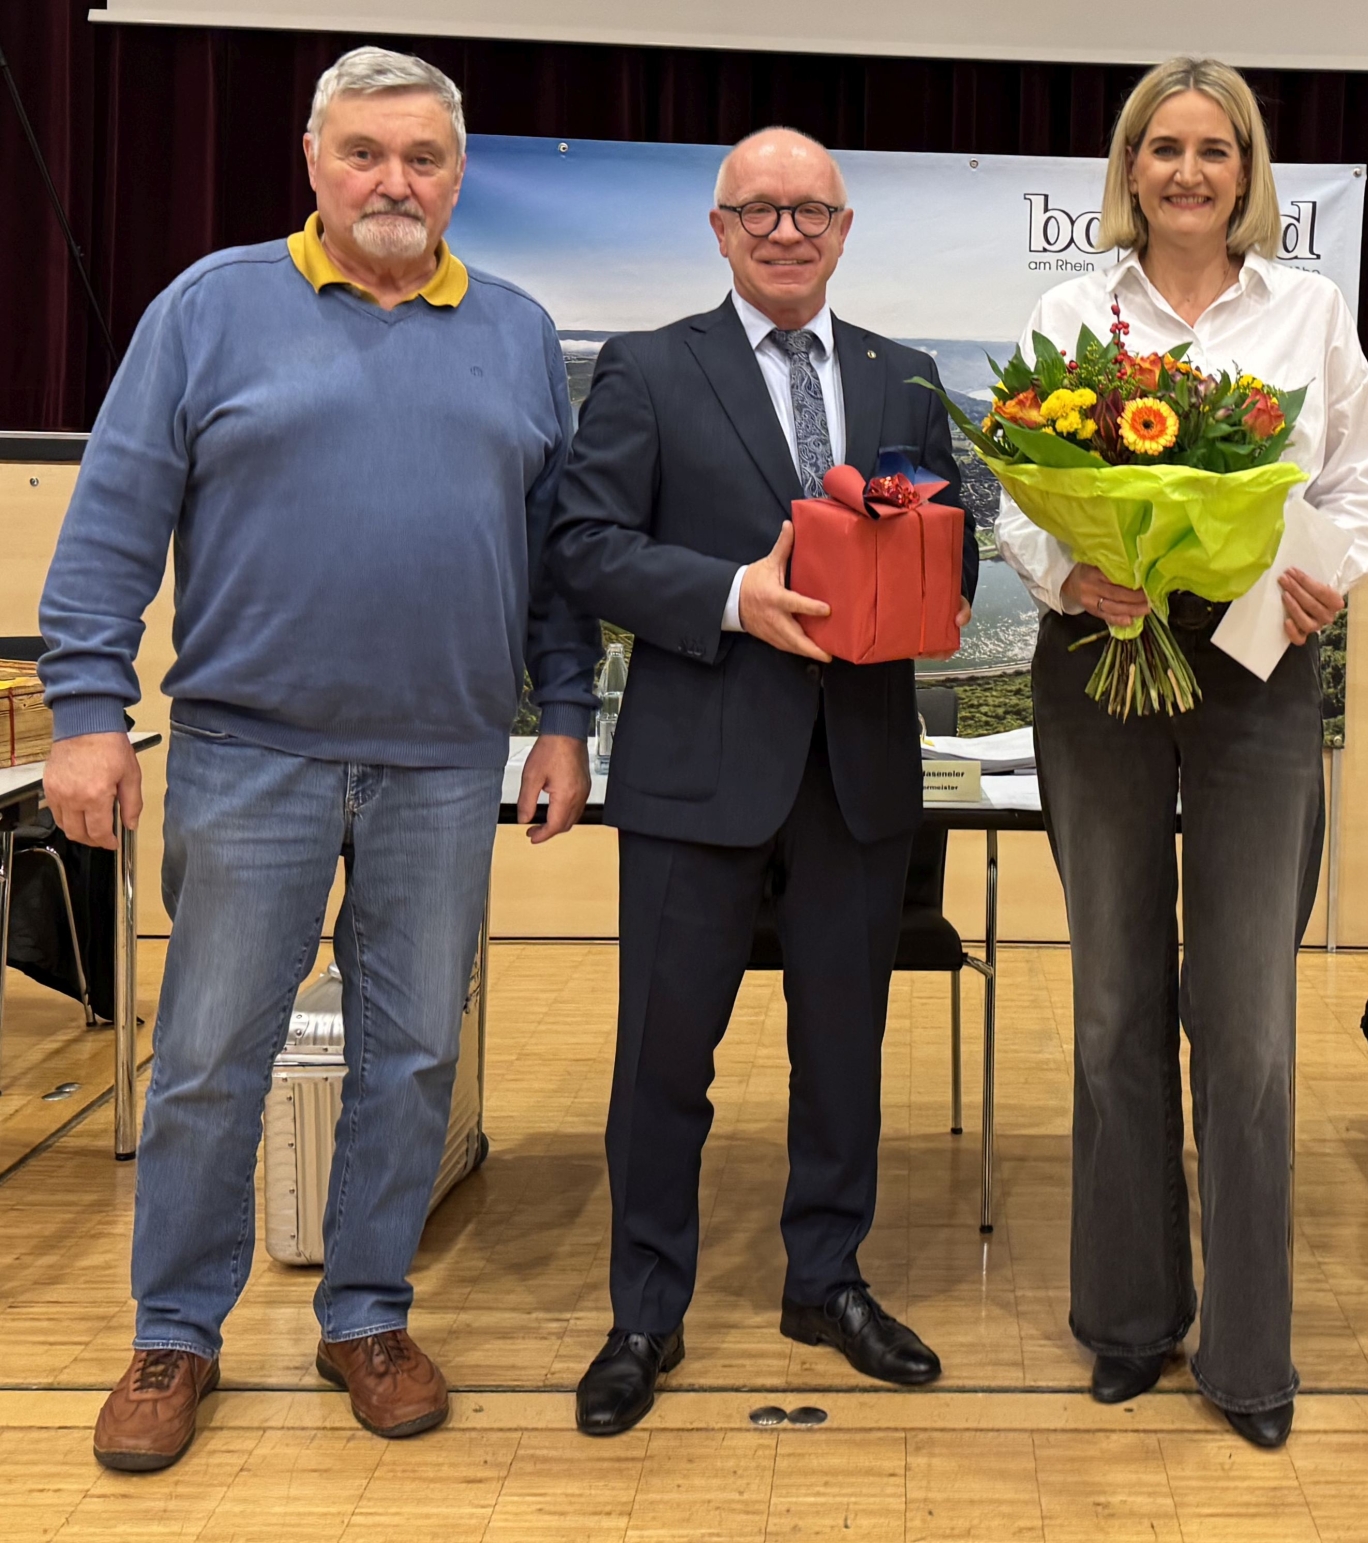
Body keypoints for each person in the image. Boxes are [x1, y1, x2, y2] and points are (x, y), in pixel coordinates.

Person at [38, 46, 601, 1472]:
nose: (393, 181)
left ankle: (366, 1312)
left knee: (410, 1061)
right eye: (365, 153)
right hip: (248, 758)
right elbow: (110, 521)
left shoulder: (521, 331)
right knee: (211, 1060)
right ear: (313, 162)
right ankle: (176, 1330)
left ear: (460, 176)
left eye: (422, 157)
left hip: (441, 767)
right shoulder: (210, 308)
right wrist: (88, 716)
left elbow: (556, 565)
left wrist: (560, 718)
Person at [548, 127, 977, 1437]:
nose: (787, 231)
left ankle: (825, 1281)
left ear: (844, 230)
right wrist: (731, 595)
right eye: (760, 211)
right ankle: (645, 1310)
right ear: (722, 229)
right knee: (665, 1058)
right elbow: (587, 543)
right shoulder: (651, 368)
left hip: (855, 773)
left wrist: (917, 585)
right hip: (697, 767)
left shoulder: (904, 379)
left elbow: (953, 561)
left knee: (844, 1050)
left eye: (811, 211)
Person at [996, 57, 1368, 1448]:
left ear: (1248, 170)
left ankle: (1249, 1355)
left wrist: (1324, 576)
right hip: (1100, 663)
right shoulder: (1072, 312)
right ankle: (1123, 1320)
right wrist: (1070, 575)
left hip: (1257, 676)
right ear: (1129, 167)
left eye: (1212, 150)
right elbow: (1022, 502)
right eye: (1161, 148)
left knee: (1245, 1026)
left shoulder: (1311, 312)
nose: (1186, 171)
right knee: (1111, 1006)